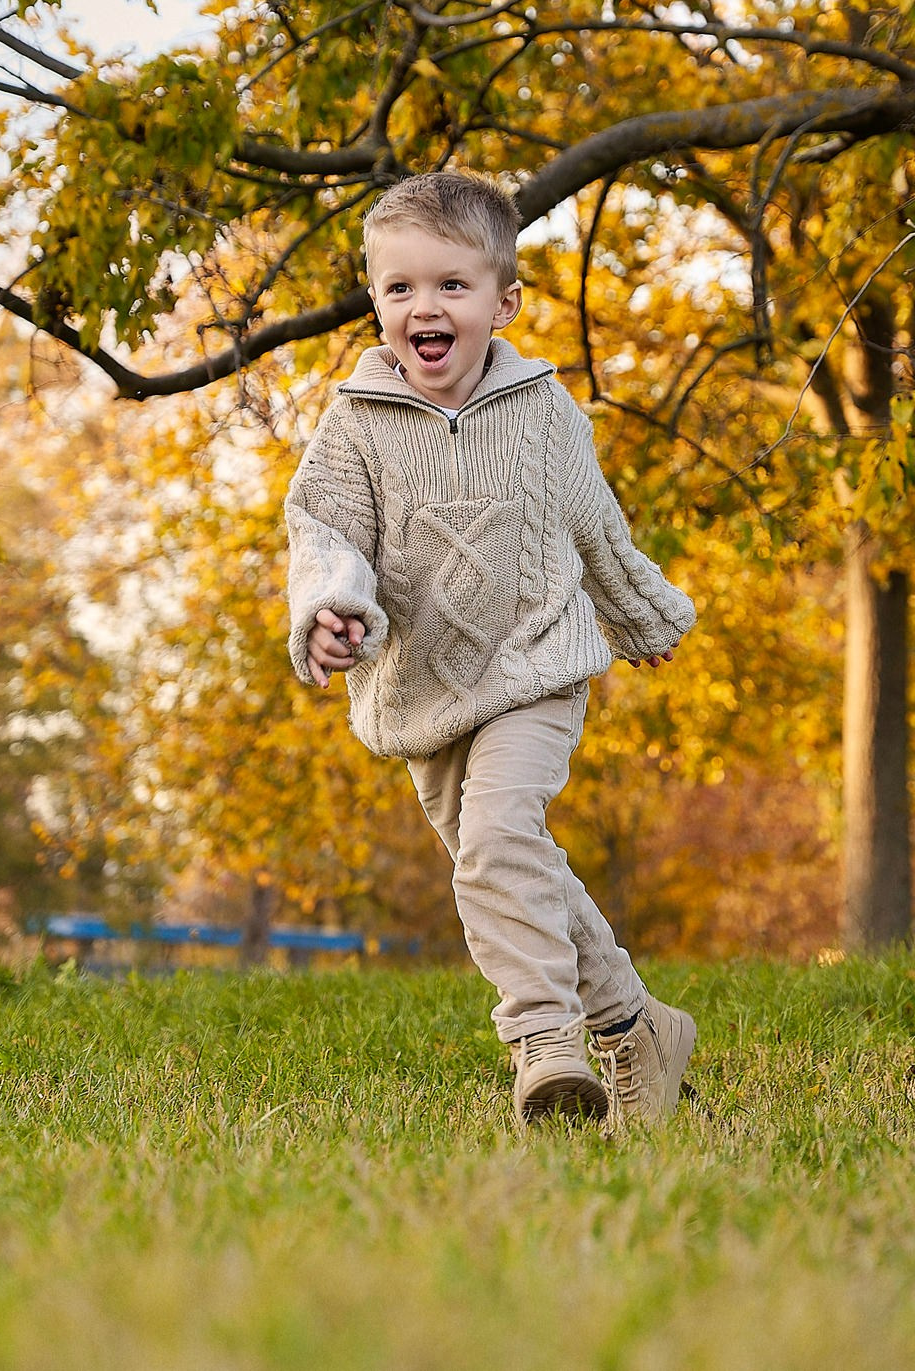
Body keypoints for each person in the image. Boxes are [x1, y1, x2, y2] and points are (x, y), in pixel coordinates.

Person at [284, 171, 700, 1128]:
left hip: (536, 666)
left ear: (503, 301)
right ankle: (636, 1025)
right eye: (400, 288)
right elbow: (324, 532)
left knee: (500, 840)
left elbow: (594, 522)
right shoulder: (355, 424)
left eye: (451, 285)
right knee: (512, 866)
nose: (424, 307)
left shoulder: (543, 411)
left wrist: (639, 615)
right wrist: (332, 608)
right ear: (376, 302)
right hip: (422, 690)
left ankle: (546, 1040)